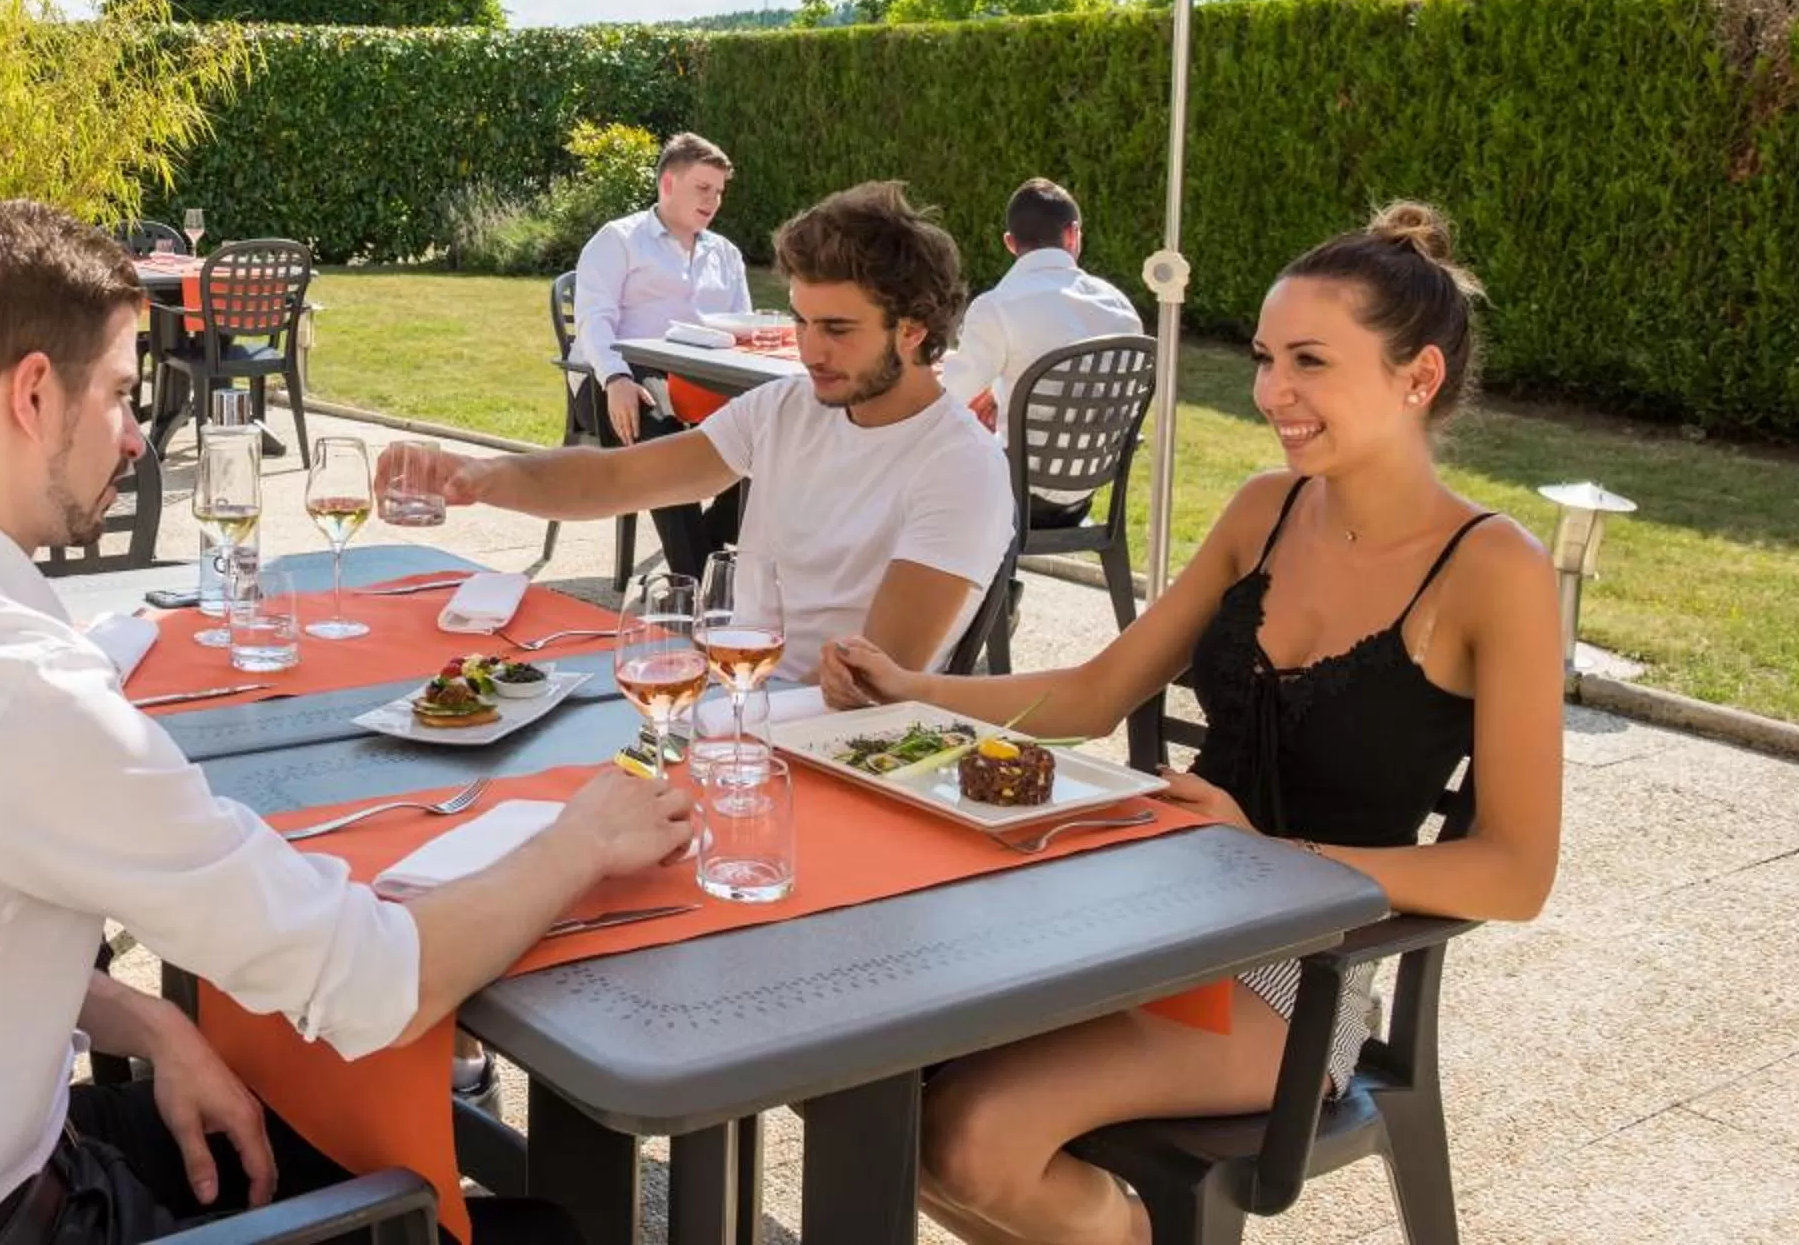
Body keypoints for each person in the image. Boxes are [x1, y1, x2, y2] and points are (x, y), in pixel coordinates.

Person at [0, 200, 694, 1245]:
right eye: (122, 393)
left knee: (313, 1124)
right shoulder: (23, 692)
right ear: (35, 394)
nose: (137, 434)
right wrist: (582, 835)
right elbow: (375, 983)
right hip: (12, 1215)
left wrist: (148, 1016)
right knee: (543, 1228)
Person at [822, 204, 1563, 1245]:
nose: (1272, 392)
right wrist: (911, 686)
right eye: (1265, 357)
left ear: (1420, 377)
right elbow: (1092, 692)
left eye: (1309, 360)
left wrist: (1267, 855)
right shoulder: (1266, 508)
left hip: (1302, 971)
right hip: (1145, 912)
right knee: (862, 1079)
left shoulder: (1495, 571)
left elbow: (1513, 872)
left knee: (968, 1138)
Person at [385, 181, 1014, 687]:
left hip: (825, 748)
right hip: (728, 699)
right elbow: (616, 477)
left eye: (838, 329)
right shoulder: (785, 408)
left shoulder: (960, 467)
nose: (809, 349)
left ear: (912, 329)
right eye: (801, 321)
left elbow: (873, 684)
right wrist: (478, 476)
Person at [567, 131, 752, 574]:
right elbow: (594, 321)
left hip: (700, 379)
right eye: (703, 188)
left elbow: (743, 328)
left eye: (719, 192)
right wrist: (616, 378)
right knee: (664, 440)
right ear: (668, 183)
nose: (713, 201)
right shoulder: (619, 240)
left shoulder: (725, 254)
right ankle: (696, 584)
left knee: (767, 430)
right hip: (617, 380)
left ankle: (705, 553)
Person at [935, 176, 1145, 526]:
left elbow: (949, 400)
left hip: (1014, 495)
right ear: (1073, 234)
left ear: (1009, 243)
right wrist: (1000, 393)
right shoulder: (1119, 307)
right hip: (1084, 494)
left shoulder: (998, 307)